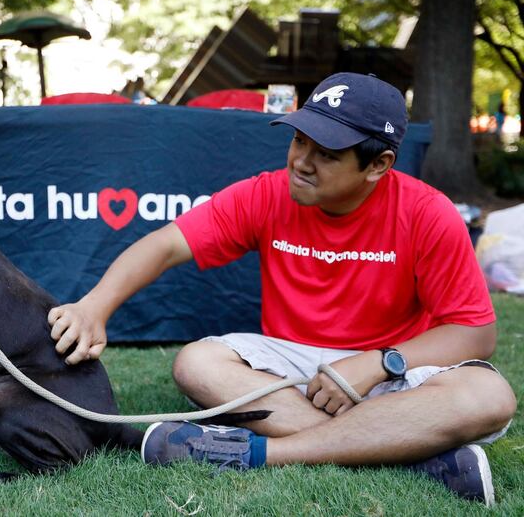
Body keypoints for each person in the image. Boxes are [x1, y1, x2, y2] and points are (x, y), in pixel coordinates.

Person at [47, 72, 516, 506]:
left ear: (379, 164)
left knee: (490, 396)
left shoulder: (428, 213)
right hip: (292, 371)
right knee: (197, 362)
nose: (301, 162)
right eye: (298, 140)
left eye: (327, 154)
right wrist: (94, 306)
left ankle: (261, 454)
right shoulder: (267, 193)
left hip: (393, 370)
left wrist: (377, 363)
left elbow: (475, 333)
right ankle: (411, 452)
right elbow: (166, 244)